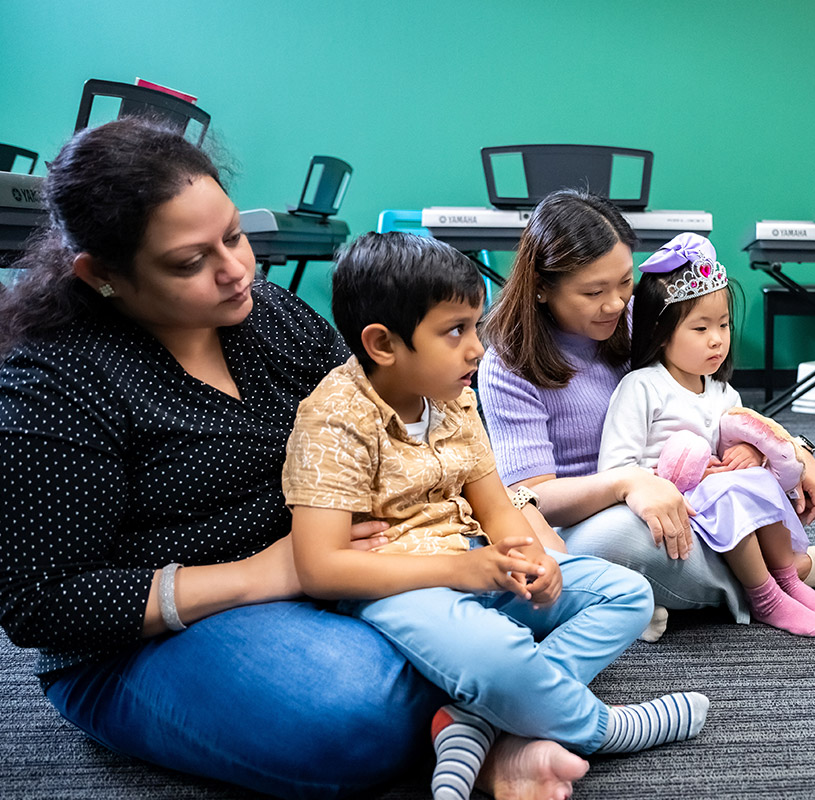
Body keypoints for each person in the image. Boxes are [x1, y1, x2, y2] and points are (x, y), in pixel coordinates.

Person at [0, 118, 592, 800]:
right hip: (162, 632)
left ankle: (472, 723)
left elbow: (386, 420)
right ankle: (495, 724)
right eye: (190, 263)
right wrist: (266, 575)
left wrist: (504, 522)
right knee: (352, 707)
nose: (235, 270)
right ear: (102, 274)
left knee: (576, 589)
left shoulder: (271, 316)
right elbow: (40, 603)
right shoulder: (54, 382)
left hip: (335, 572)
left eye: (234, 234)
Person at [285, 231, 710, 799]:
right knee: (495, 652)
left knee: (627, 594)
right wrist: (459, 572)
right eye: (454, 331)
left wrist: (529, 555)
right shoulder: (334, 419)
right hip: (400, 582)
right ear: (383, 344)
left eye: (475, 327)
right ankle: (599, 727)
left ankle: (478, 719)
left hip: (473, 561)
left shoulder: (453, 394)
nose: (476, 349)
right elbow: (319, 569)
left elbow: (495, 501)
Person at [478, 190, 815, 642]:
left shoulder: (637, 316)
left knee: (748, 485)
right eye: (593, 291)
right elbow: (527, 498)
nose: (615, 304)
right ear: (542, 287)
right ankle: (765, 582)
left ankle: (646, 594)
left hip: (685, 493)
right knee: (615, 540)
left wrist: (789, 448)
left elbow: (711, 402)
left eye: (624, 282)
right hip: (589, 517)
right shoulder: (509, 362)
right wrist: (629, 484)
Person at [598, 233, 815, 637]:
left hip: (714, 489)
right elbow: (615, 468)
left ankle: (787, 579)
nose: (717, 338)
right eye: (700, 328)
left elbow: (730, 438)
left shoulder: (722, 391)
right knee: (729, 495)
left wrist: (746, 451)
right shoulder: (642, 387)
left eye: (724, 325)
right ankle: (765, 597)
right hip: (672, 500)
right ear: (661, 333)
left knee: (755, 480)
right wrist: (672, 479)